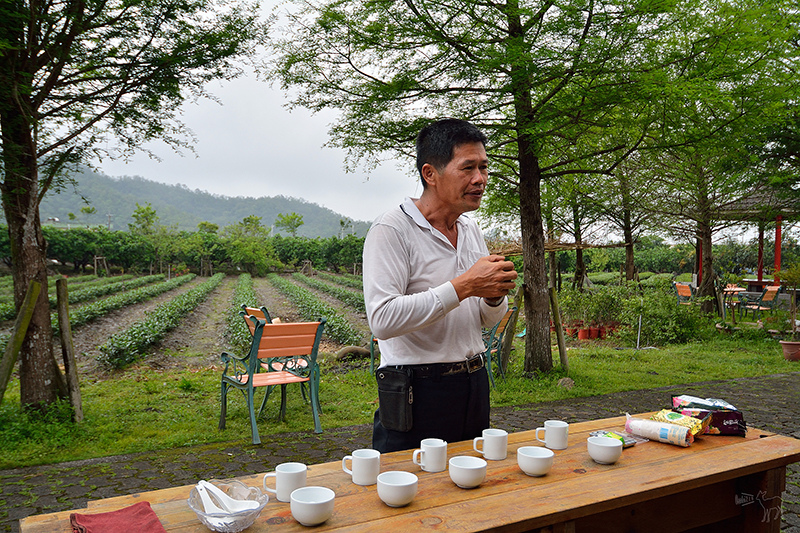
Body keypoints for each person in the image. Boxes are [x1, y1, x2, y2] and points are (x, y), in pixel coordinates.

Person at [363, 118, 518, 453]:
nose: (480, 179)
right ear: (430, 174)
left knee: (471, 489)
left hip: (474, 382)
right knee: (412, 496)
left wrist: (493, 297)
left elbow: (485, 321)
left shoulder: (471, 230)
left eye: (484, 167)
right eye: (468, 168)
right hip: (416, 392)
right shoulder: (391, 230)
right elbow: (383, 320)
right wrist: (464, 285)